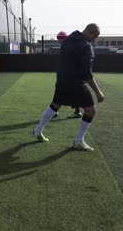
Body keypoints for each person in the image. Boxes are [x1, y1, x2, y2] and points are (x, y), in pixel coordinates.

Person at [32, 23, 104, 151]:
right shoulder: (86, 46)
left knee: (55, 105)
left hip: (62, 81)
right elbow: (87, 73)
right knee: (90, 110)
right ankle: (79, 141)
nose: (94, 40)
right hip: (76, 83)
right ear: (91, 32)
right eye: (95, 36)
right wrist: (98, 92)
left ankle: (37, 130)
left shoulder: (67, 41)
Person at [52, 31, 82, 119]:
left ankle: (77, 112)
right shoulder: (66, 46)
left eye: (61, 39)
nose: (60, 42)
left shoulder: (70, 47)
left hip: (69, 75)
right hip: (66, 75)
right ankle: (56, 111)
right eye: (59, 40)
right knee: (63, 93)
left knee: (65, 93)